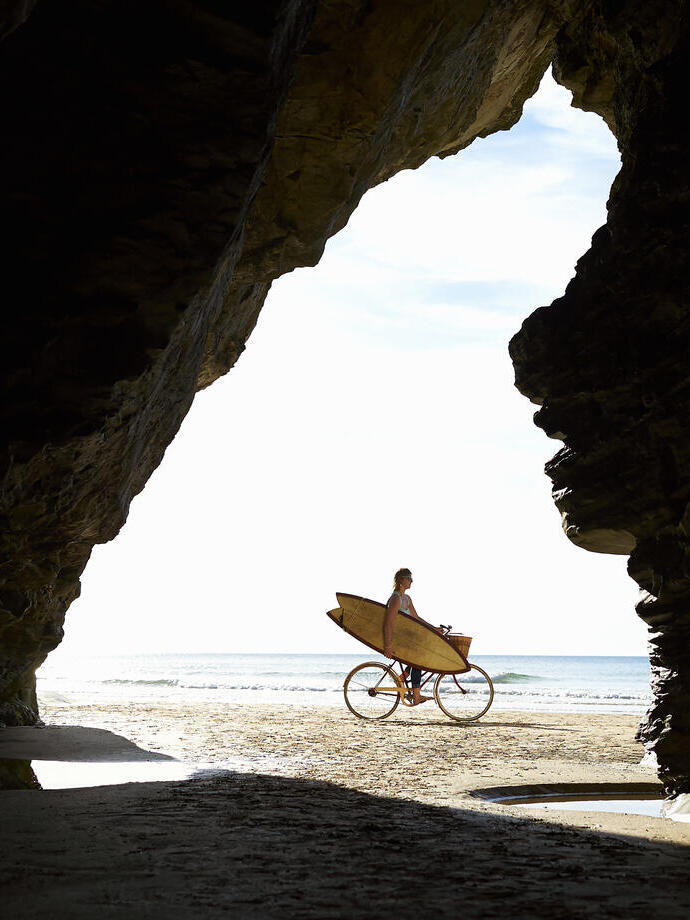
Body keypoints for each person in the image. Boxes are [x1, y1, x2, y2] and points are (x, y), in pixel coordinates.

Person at [383, 568, 440, 705]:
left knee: (423, 654)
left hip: (409, 639)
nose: (411, 581)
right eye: (409, 578)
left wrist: (433, 628)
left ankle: (403, 676)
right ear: (401, 580)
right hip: (399, 640)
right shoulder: (396, 599)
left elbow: (416, 618)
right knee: (418, 661)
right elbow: (388, 623)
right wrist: (388, 646)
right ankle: (416, 696)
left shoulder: (406, 599)